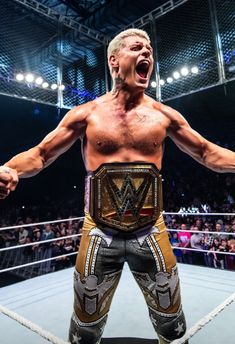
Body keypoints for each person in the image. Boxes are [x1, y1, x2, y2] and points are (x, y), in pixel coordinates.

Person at [0, 28, 234, 344]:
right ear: (114, 60)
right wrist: (10, 169)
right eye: (138, 48)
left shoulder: (164, 115)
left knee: (172, 325)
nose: (148, 55)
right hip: (98, 231)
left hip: (151, 231)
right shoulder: (87, 114)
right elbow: (41, 154)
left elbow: (207, 152)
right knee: (85, 329)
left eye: (150, 51)